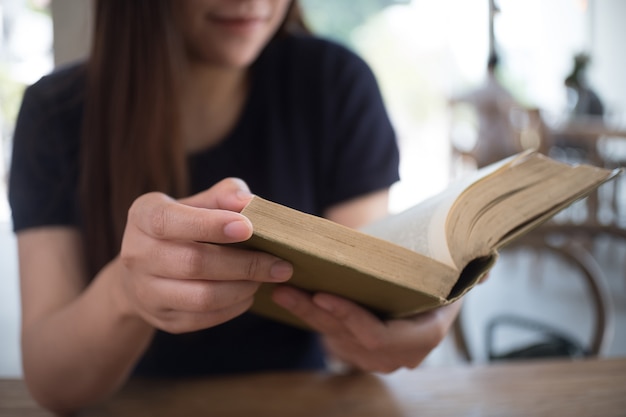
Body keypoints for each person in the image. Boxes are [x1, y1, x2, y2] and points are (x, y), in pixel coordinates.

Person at [8, 0, 462, 413]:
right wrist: (124, 293)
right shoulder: (56, 113)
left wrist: (395, 323)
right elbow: (54, 384)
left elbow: (353, 332)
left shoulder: (334, 83)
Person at [449, 53, 520, 168]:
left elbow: (454, 100)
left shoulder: (480, 91)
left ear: (487, 67)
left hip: (485, 148)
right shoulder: (504, 92)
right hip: (503, 147)